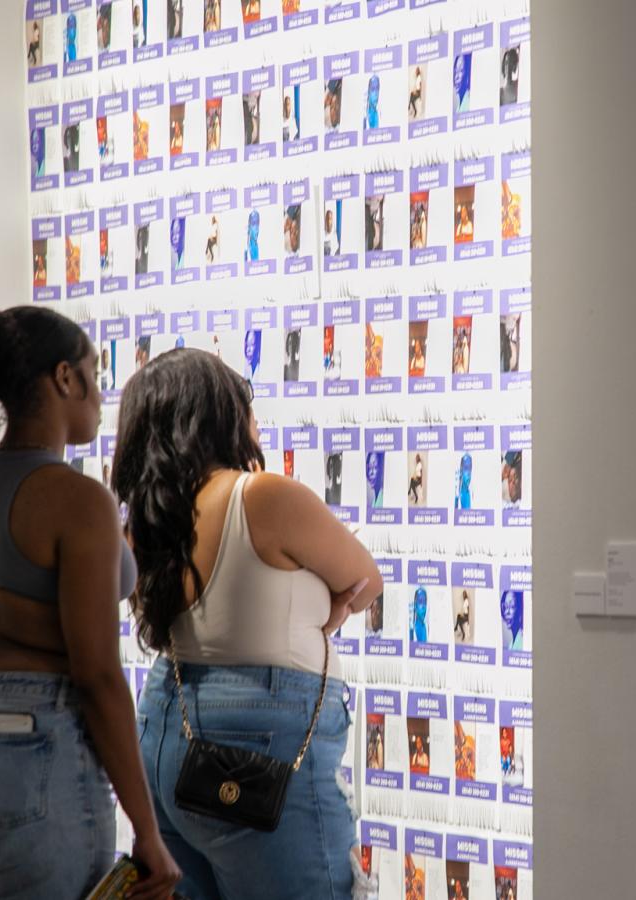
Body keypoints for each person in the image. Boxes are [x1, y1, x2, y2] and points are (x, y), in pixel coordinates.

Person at [0, 303, 179, 899]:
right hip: (30, 759)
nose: (102, 395)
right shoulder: (77, 501)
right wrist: (148, 830)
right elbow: (97, 674)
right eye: (94, 372)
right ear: (63, 378)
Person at [112, 349, 382, 900]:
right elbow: (364, 579)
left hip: (167, 731)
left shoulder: (145, 522)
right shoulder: (261, 495)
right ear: (217, 414)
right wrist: (325, 613)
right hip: (259, 743)